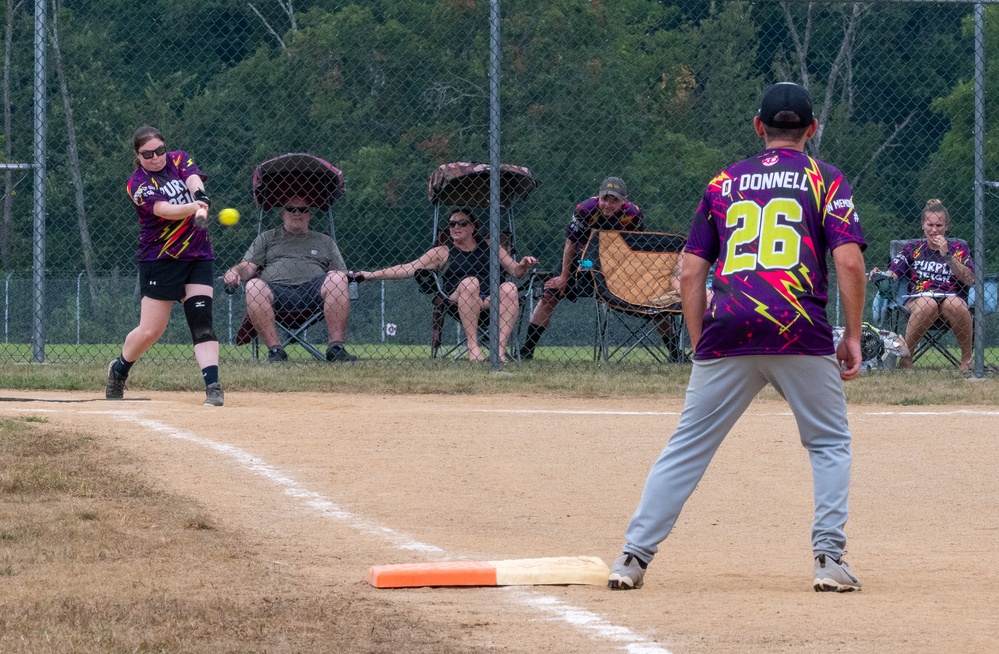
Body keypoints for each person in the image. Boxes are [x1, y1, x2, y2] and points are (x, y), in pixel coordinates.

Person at [607, 82, 867, 593]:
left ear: (758, 127)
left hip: (728, 325)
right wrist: (853, 335)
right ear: (811, 130)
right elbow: (850, 260)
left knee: (687, 446)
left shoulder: (723, 182)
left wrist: (702, 337)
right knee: (829, 442)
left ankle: (632, 558)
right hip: (799, 329)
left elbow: (688, 273)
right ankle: (828, 560)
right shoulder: (826, 179)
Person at [106, 125, 224, 406]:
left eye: (160, 150)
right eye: (148, 154)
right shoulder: (138, 183)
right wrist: (194, 207)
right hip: (160, 259)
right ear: (138, 155)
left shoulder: (178, 159)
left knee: (202, 323)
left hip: (197, 256)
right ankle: (119, 369)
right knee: (151, 331)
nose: (156, 157)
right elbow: (165, 211)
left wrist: (200, 195)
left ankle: (213, 387)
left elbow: (193, 178)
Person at [519, 177, 676, 360]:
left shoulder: (633, 214)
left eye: (614, 200)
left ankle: (674, 352)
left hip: (619, 267)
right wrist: (563, 276)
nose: (608, 204)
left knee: (655, 299)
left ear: (624, 200)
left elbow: (636, 247)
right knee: (549, 294)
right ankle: (527, 350)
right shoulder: (585, 209)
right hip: (584, 263)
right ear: (599, 197)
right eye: (605, 199)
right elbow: (570, 243)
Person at [354, 210, 538, 363]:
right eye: (451, 224)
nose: (455, 227)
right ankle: (473, 347)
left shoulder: (491, 246)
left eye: (462, 223)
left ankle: (499, 351)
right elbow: (408, 268)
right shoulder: (441, 252)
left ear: (473, 228)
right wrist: (371, 275)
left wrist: (523, 264)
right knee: (470, 282)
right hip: (458, 299)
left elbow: (516, 272)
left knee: (510, 288)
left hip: (491, 299)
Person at [222, 197, 356, 363]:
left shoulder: (325, 241)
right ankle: (276, 351)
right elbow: (247, 267)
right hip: (276, 293)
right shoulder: (267, 238)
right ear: (282, 213)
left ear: (310, 214)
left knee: (338, 277)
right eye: (291, 209)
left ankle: (336, 348)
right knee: (253, 285)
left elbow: (341, 274)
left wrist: (339, 278)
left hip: (314, 293)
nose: (297, 213)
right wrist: (234, 271)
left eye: (303, 209)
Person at [868, 199, 974, 371]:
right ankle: (906, 358)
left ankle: (967, 361)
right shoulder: (912, 248)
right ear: (922, 225)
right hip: (919, 300)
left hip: (952, 299)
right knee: (929, 303)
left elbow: (970, 279)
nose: (934, 230)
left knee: (953, 303)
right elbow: (893, 273)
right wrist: (880, 275)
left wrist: (947, 255)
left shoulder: (958, 247)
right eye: (930, 224)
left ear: (946, 226)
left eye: (939, 225)